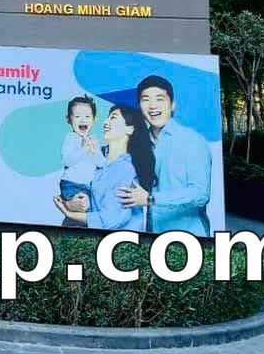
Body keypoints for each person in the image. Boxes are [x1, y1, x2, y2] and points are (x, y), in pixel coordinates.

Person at [117, 75, 212, 236]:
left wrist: (151, 199)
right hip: (154, 236)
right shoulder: (139, 143)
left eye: (159, 99)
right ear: (140, 106)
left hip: (189, 237)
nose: (153, 105)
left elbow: (200, 194)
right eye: (146, 99)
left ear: (172, 105)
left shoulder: (192, 141)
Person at [53, 105, 156, 231]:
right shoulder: (96, 155)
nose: (105, 122)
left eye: (113, 118)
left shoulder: (126, 168)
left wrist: (70, 214)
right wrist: (69, 202)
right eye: (107, 117)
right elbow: (75, 182)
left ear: (130, 129)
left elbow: (112, 218)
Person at [59, 96, 105, 209]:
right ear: (68, 119)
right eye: (77, 116)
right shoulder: (71, 138)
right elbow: (67, 162)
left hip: (88, 186)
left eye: (87, 116)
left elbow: (101, 164)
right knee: (84, 208)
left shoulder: (93, 140)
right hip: (72, 184)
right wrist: (83, 149)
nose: (83, 120)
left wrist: (96, 152)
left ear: (94, 119)